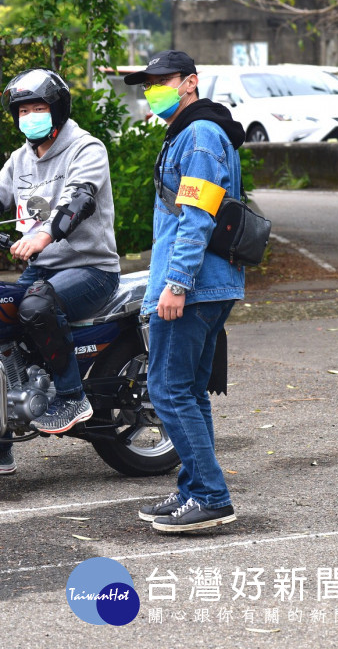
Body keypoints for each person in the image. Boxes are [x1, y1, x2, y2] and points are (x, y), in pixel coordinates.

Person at [0, 68, 121, 476]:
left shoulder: (86, 148)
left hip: (91, 268)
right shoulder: (20, 159)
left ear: (56, 111)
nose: (30, 116)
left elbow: (80, 200)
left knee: (35, 306)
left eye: (38, 108)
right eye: (23, 110)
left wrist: (44, 236)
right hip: (42, 271)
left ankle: (72, 395)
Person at [124, 50, 244, 533]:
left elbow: (197, 219)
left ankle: (212, 495)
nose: (153, 90)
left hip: (193, 286)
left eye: (163, 80)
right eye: (148, 83)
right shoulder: (189, 131)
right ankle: (195, 491)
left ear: (190, 82)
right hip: (206, 284)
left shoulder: (198, 135)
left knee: (167, 389)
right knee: (190, 392)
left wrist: (175, 284)